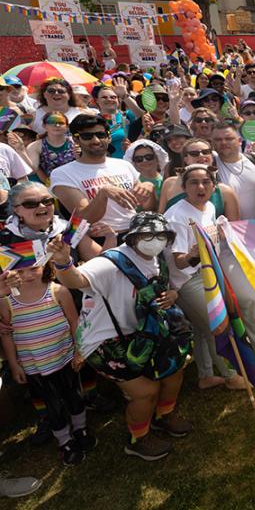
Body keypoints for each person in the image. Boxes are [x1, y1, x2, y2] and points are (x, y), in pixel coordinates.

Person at [47, 213, 192, 461]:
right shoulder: (111, 262)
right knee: (145, 391)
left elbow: (171, 287)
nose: (154, 241)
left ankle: (163, 416)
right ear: (133, 238)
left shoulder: (160, 257)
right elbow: (76, 279)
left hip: (146, 331)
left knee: (174, 371)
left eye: (161, 236)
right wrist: (63, 263)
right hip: (106, 340)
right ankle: (138, 439)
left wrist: (172, 296)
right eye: (147, 235)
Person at [163, 165, 255, 389]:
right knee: (216, 327)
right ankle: (230, 376)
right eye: (193, 182)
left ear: (213, 185)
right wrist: (192, 254)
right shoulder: (177, 216)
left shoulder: (208, 208)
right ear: (184, 187)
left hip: (209, 274)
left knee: (201, 327)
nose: (200, 187)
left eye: (206, 182)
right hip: (188, 280)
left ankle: (205, 376)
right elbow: (178, 261)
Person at [0, 264, 95, 465]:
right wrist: (14, 365)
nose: (26, 275)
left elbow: (73, 321)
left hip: (66, 359)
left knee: (74, 396)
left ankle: (81, 429)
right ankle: (65, 441)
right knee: (52, 404)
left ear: (45, 265)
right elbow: (7, 336)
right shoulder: (6, 301)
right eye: (19, 270)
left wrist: (79, 351)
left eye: (33, 268)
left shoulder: (58, 291)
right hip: (34, 367)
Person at [50, 114, 154, 237]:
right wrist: (103, 194)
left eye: (101, 135)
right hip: (100, 240)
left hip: (135, 233)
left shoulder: (124, 165)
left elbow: (147, 207)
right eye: (87, 136)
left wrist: (149, 188)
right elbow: (84, 219)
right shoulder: (63, 174)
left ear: (109, 137)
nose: (96, 140)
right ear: (76, 139)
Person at [158, 138, 239, 219]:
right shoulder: (169, 184)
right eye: (194, 153)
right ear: (186, 159)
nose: (201, 155)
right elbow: (161, 217)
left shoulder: (225, 191)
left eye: (205, 152)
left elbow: (234, 226)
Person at [211, 122, 255, 220]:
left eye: (228, 139)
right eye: (218, 140)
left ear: (239, 141)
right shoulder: (211, 168)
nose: (223, 142)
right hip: (231, 232)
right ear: (212, 143)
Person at [24, 111, 75, 185]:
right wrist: (21, 150)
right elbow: (33, 170)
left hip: (74, 182)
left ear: (67, 126)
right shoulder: (35, 146)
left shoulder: (76, 142)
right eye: (51, 122)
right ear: (44, 126)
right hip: (46, 185)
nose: (57, 125)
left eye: (61, 123)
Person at [123, 139, 169, 210]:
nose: (144, 161)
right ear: (134, 163)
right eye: (139, 159)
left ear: (157, 158)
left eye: (149, 157)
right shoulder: (131, 183)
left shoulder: (166, 180)